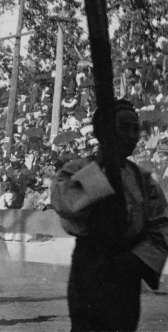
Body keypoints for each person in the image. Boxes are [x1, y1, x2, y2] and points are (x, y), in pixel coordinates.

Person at [51, 99, 168, 331]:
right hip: (90, 265)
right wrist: (103, 171)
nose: (132, 135)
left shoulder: (143, 180)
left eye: (136, 128)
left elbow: (162, 225)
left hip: (127, 270)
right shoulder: (77, 169)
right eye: (124, 127)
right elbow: (63, 201)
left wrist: (136, 258)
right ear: (102, 131)